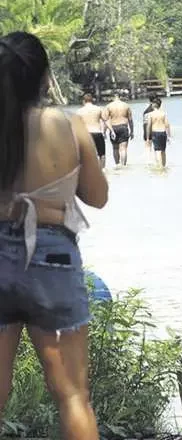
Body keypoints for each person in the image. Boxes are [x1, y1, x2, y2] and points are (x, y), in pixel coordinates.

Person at [0, 31, 108, 439]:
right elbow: (97, 198)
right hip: (53, 260)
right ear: (44, 77)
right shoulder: (68, 125)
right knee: (72, 396)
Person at [76, 93, 107, 168]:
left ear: (84, 101)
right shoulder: (98, 109)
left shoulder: (79, 111)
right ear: (92, 100)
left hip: (86, 135)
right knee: (101, 154)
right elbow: (105, 121)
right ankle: (102, 170)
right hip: (97, 132)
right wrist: (105, 132)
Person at [103, 91, 133, 166]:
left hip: (113, 128)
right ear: (120, 97)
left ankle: (117, 164)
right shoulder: (126, 105)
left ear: (113, 97)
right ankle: (124, 165)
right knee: (123, 148)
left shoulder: (108, 106)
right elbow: (130, 120)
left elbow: (106, 120)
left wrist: (104, 132)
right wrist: (132, 131)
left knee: (115, 148)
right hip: (123, 127)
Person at [146, 98, 171, 168]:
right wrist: (169, 136)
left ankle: (160, 167)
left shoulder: (151, 114)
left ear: (154, 105)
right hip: (163, 132)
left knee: (157, 151)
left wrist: (148, 138)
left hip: (155, 133)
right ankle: (164, 166)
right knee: (163, 150)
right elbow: (167, 125)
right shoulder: (163, 113)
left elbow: (149, 126)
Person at [142, 93, 157, 160]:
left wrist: (146, 136)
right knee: (157, 149)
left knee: (148, 148)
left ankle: (149, 161)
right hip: (155, 130)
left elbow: (145, 123)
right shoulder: (157, 110)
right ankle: (156, 161)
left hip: (146, 130)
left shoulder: (146, 110)